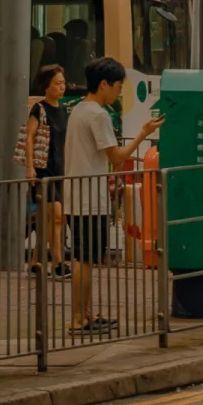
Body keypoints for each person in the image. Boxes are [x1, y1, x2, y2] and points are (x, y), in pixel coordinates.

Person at [64, 55, 163, 331]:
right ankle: (78, 319)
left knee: (86, 258)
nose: (120, 91)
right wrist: (143, 133)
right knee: (84, 260)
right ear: (104, 84)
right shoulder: (98, 115)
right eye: (118, 86)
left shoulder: (79, 110)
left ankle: (87, 314)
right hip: (88, 197)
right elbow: (117, 158)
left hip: (78, 193)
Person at [25, 63, 69, 276]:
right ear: (46, 87)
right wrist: (29, 167)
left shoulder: (63, 109)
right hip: (43, 170)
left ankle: (35, 263)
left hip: (59, 169)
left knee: (46, 221)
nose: (62, 87)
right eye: (57, 83)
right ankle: (59, 263)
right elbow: (29, 137)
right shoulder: (39, 109)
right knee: (57, 216)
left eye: (63, 83)